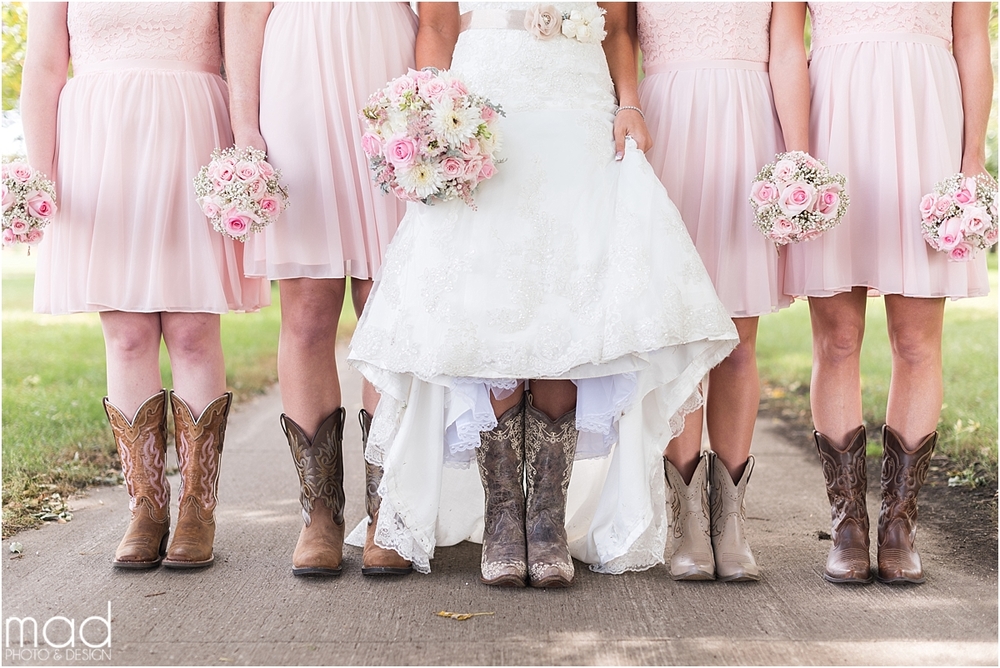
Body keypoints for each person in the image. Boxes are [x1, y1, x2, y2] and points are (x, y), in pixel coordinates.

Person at [347, 1, 739, 587]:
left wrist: (627, 103)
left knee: (568, 298)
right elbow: (434, 25)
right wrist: (433, 110)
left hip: (578, 109)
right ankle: (505, 515)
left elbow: (621, 26)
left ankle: (546, 519)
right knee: (493, 301)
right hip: (486, 101)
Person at [21, 2, 269, 569]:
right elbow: (43, 68)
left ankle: (196, 511)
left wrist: (247, 136)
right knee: (128, 334)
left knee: (190, 329)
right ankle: (146, 508)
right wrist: (37, 176)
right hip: (99, 145)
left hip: (193, 132)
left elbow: (241, 52)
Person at [771, 2, 993, 584]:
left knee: (917, 340)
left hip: (926, 123)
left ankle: (899, 523)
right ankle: (848, 523)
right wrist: (797, 156)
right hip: (833, 119)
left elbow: (971, 40)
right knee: (837, 339)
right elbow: (789, 44)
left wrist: (971, 163)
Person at [225, 2, 417, 577]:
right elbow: (241, 13)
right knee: (307, 310)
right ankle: (320, 513)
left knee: (388, 306)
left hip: (388, 76)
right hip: (296, 83)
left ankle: (390, 510)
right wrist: (244, 124)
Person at [635, 2, 804, 582]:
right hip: (665, 127)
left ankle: (729, 520)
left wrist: (797, 156)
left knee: (738, 336)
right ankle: (685, 521)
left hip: (748, 127)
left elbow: (787, 50)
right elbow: (616, 33)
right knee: (681, 335)